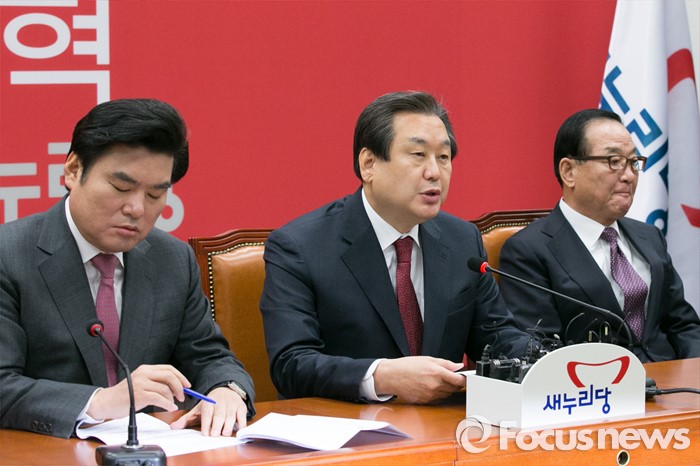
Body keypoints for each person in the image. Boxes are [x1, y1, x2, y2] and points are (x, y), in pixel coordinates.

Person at [0, 99, 255, 438]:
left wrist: (227, 389)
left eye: (155, 195)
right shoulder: (9, 255)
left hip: (155, 450)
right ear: (73, 170)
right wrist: (100, 402)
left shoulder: (172, 259)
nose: (136, 208)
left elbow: (209, 356)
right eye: (121, 188)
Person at [259, 91, 532, 404]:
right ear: (369, 164)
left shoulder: (462, 240)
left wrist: (551, 361)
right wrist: (382, 376)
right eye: (418, 154)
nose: (434, 172)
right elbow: (291, 365)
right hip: (348, 425)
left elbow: (497, 337)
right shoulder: (301, 247)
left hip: (444, 425)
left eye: (443, 157)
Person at [499, 108, 700, 362]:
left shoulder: (650, 237)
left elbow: (684, 326)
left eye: (633, 162)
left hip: (675, 381)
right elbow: (540, 349)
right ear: (569, 171)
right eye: (613, 161)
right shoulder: (528, 251)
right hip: (596, 382)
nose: (628, 176)